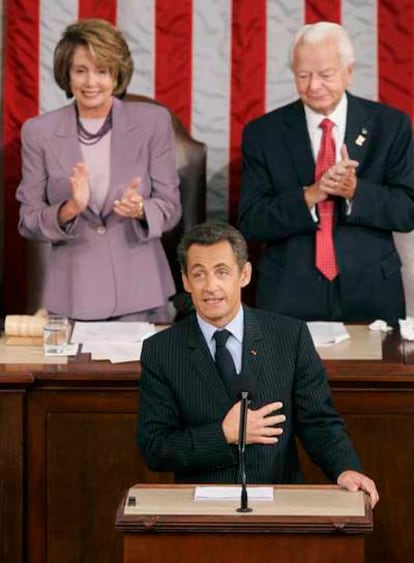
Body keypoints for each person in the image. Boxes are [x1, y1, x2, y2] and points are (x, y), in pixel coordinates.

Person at [138, 221, 379, 507]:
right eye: (199, 274)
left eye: (222, 272)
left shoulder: (290, 336)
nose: (211, 286)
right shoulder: (161, 351)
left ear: (244, 274)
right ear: (186, 281)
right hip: (202, 510)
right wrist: (222, 435)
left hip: (278, 501)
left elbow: (319, 421)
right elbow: (155, 447)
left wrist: (345, 468)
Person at [238, 21, 414, 323]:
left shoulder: (390, 125)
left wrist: (355, 191)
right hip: (288, 292)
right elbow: (251, 223)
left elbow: (407, 211)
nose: (313, 86)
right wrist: (310, 195)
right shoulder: (263, 133)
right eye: (303, 76)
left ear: (349, 72)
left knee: (374, 372)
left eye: (325, 75)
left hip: (371, 290)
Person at [16, 19, 181, 322]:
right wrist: (69, 209)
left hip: (141, 296)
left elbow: (171, 207)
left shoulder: (153, 123)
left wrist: (141, 208)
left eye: (102, 70)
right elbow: (28, 220)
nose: (91, 82)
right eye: (81, 70)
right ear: (67, 73)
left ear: (117, 74)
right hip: (71, 299)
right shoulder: (38, 132)